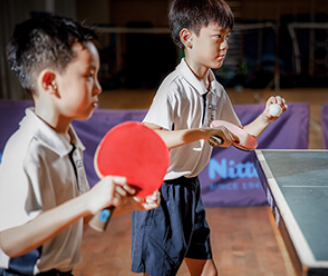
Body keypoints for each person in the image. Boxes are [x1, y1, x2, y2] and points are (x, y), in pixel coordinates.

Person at [131, 0, 287, 275]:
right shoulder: (174, 87)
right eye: (218, 37)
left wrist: (266, 118)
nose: (225, 45)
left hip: (190, 189)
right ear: (187, 38)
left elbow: (240, 138)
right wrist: (202, 133)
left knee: (206, 272)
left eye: (227, 38)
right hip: (161, 193)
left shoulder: (215, 89)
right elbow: (149, 138)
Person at [0, 15, 160, 276]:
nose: (98, 87)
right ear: (50, 82)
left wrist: (131, 205)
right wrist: (87, 201)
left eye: (98, 76)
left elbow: (83, 219)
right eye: (88, 76)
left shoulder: (69, 140)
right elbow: (8, 241)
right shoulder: (27, 150)